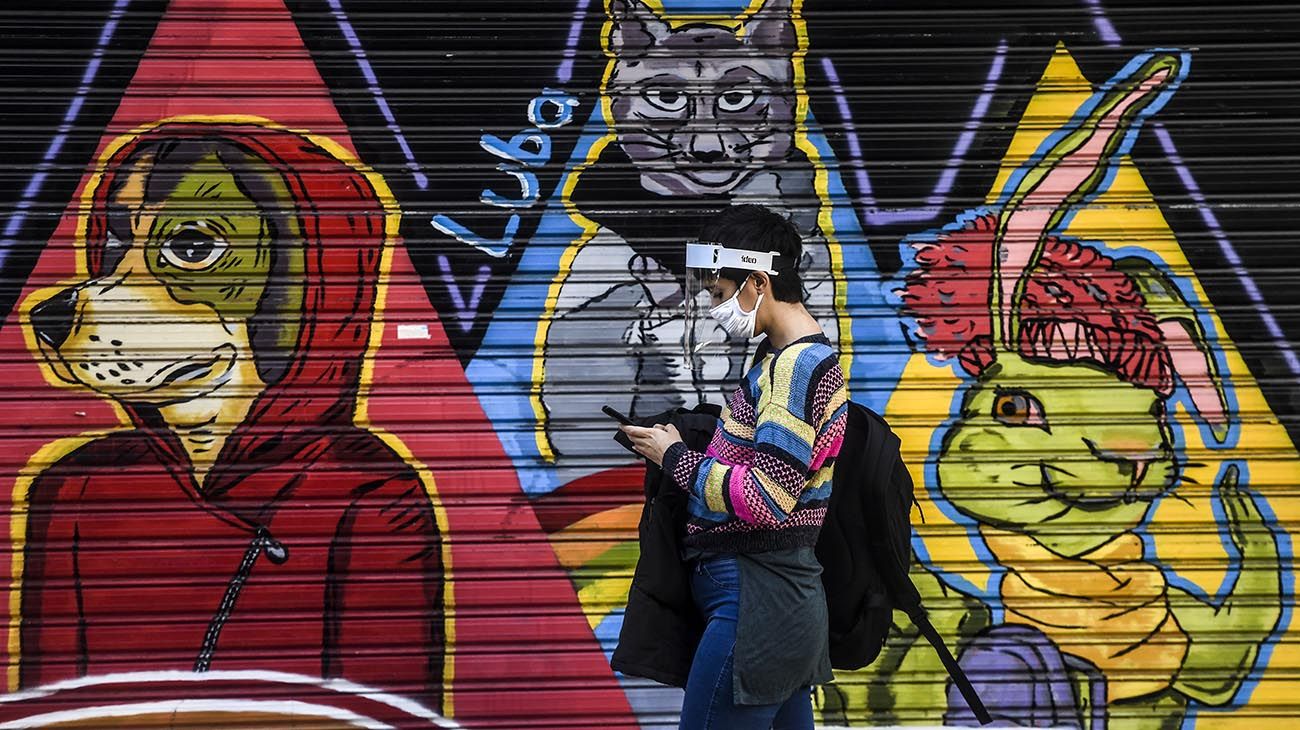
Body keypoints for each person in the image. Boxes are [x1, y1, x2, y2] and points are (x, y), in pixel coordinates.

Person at [620, 204, 849, 730]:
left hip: (757, 602)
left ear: (757, 282)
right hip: (771, 601)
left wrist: (673, 458)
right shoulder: (781, 358)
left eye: (721, 294)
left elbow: (768, 498)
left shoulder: (795, 367)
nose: (714, 306)